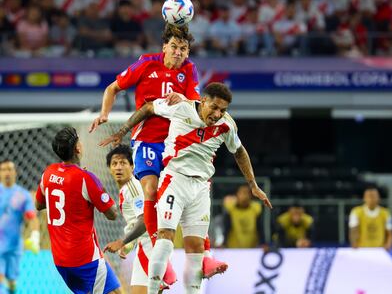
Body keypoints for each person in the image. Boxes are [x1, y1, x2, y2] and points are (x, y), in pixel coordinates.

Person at [100, 82, 272, 294]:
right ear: (203, 101)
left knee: (196, 248)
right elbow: (149, 108)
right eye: (215, 107)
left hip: (200, 188)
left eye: (223, 110)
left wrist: (253, 185)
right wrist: (123, 131)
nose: (218, 114)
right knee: (165, 238)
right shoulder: (181, 107)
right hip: (175, 180)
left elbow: (239, 151)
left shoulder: (227, 126)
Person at [90, 23, 226, 278]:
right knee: (151, 190)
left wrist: (183, 99)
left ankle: (205, 255)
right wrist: (105, 114)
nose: (178, 52)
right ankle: (160, 259)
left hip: (177, 143)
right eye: (173, 47)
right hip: (147, 140)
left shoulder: (190, 69)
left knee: (194, 193)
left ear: (187, 52)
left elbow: (199, 104)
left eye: (183, 49)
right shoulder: (146, 63)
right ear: (164, 47)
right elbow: (113, 88)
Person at [34, 127, 121, 294]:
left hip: (61, 261)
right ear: (78, 148)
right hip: (85, 260)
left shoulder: (48, 173)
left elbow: (39, 205)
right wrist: (97, 187)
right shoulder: (85, 178)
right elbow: (112, 214)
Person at [103, 145, 171, 293]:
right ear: (109, 169)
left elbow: (145, 220)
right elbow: (136, 221)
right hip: (147, 244)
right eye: (114, 164)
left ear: (132, 166)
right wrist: (128, 245)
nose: (119, 168)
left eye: (123, 163)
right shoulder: (127, 189)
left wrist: (122, 241)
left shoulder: (132, 188)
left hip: (150, 246)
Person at [0, 160, 40, 294]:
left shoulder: (22, 195)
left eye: (10, 169)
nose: (7, 172)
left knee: (11, 282)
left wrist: (35, 236)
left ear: (15, 172)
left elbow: (32, 217)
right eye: (4, 169)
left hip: (14, 246)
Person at [223, 184, 265, 248]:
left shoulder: (256, 209)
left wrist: (263, 243)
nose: (245, 196)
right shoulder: (231, 209)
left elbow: (260, 229)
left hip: (252, 249)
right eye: (242, 193)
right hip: (233, 249)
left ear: (251, 196)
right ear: (236, 195)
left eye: (247, 193)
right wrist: (224, 243)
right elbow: (226, 228)